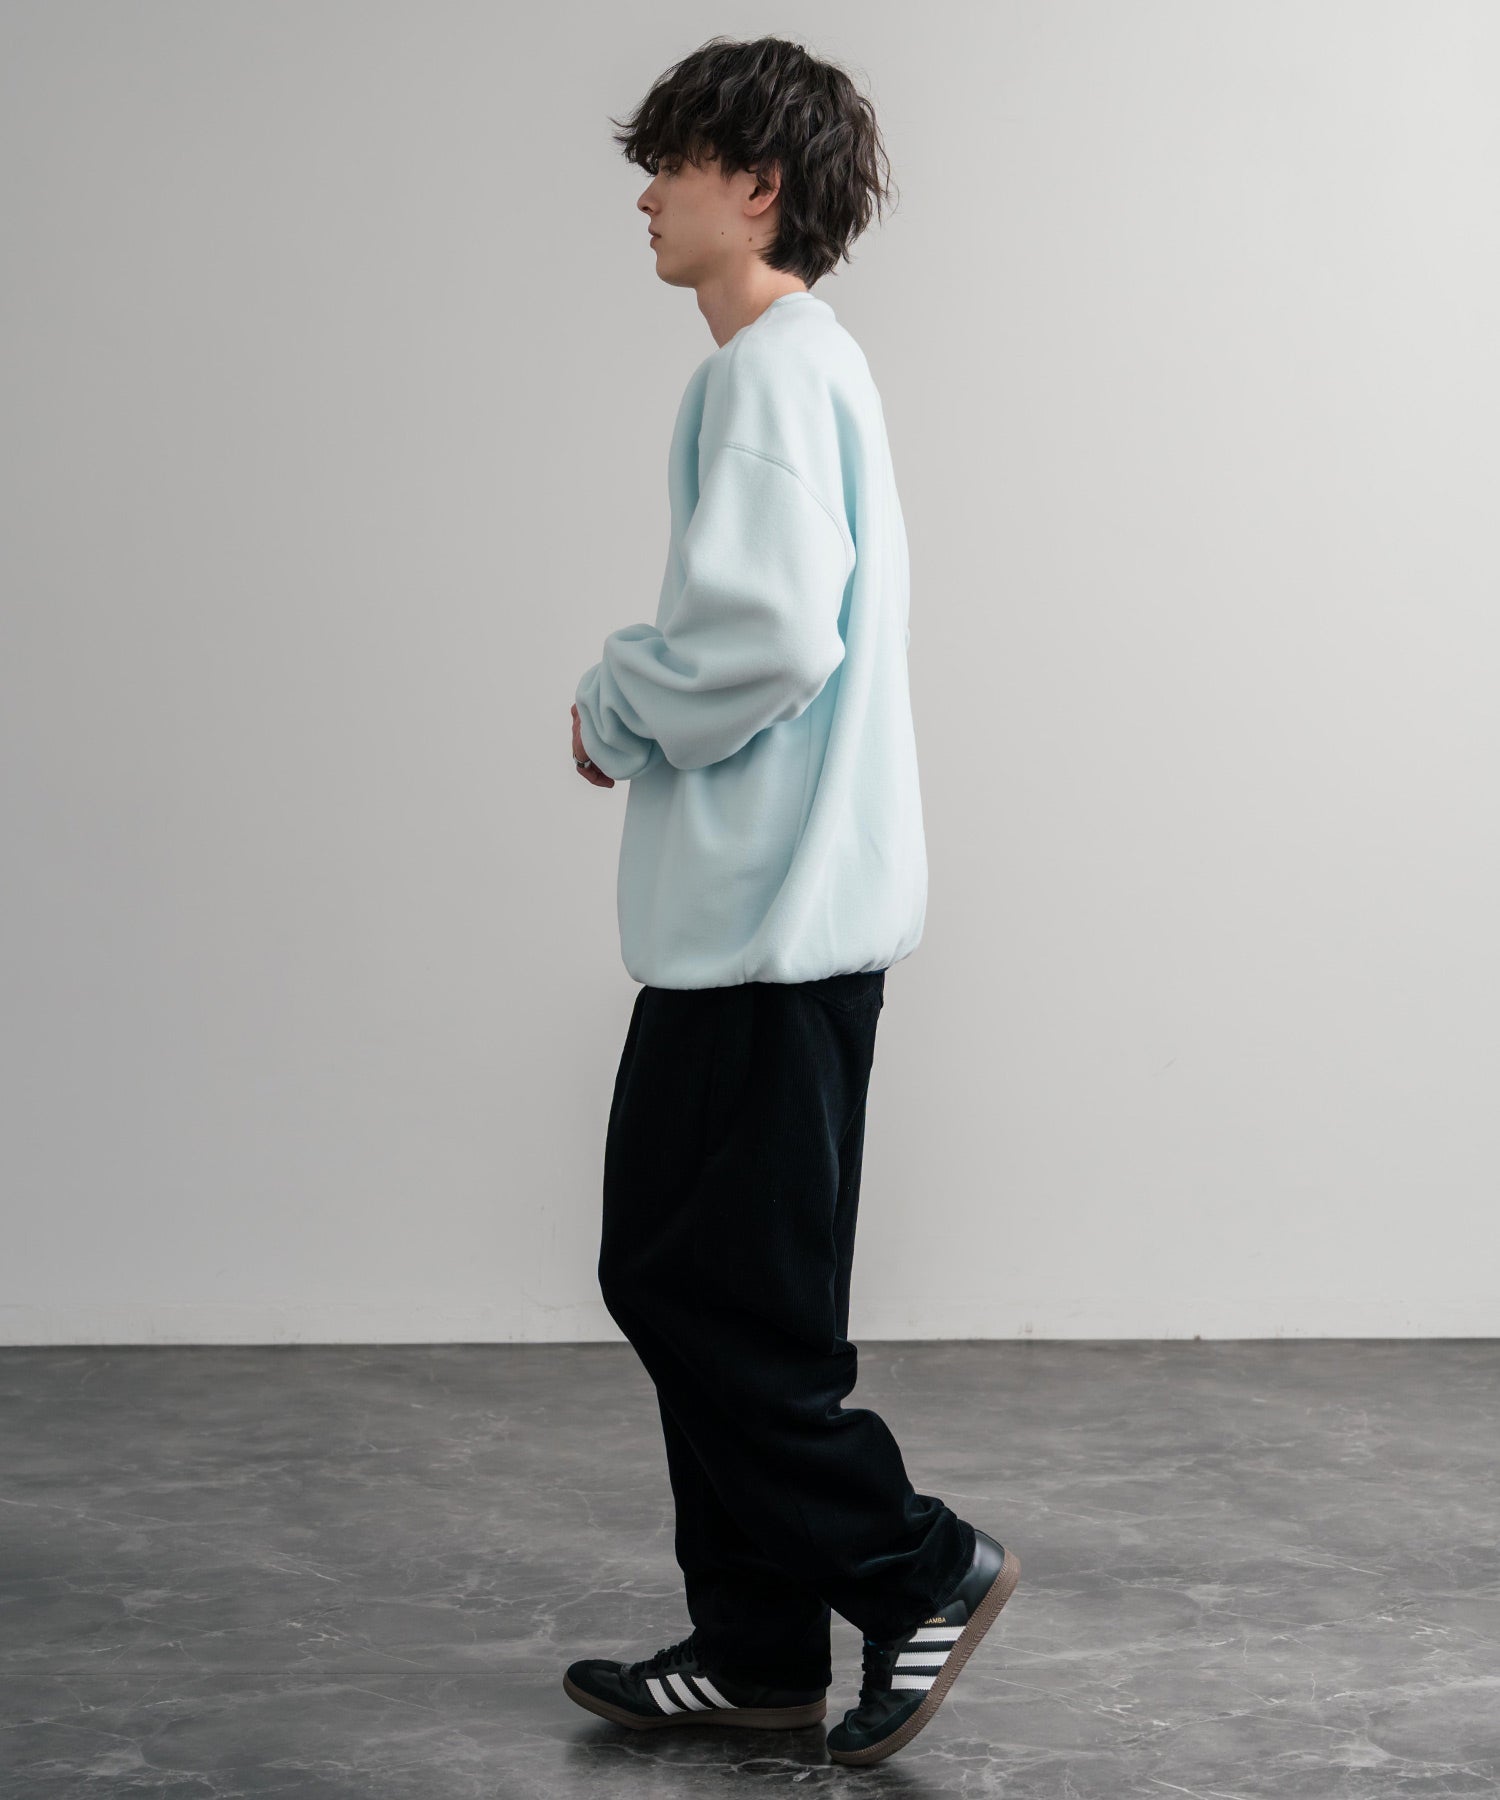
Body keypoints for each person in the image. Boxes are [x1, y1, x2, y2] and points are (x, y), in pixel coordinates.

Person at [564, 34, 1019, 1768]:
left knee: (686, 1287)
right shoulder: (813, 365)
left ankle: (914, 1565)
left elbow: (763, 637)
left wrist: (612, 707)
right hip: (790, 928)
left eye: (673, 161)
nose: (646, 195)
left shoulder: (765, 374)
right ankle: (759, 1649)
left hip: (760, 936)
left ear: (756, 186)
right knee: (741, 1302)